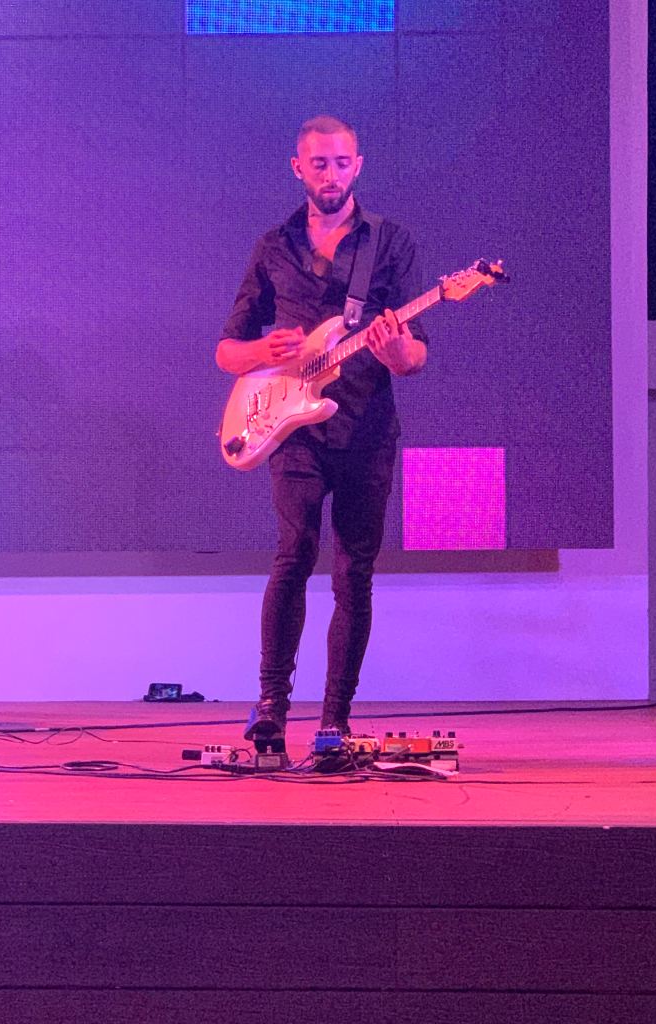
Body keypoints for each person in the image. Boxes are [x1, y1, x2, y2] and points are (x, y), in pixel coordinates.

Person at [216, 115, 428, 744]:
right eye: (319, 164)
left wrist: (395, 352)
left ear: (357, 166)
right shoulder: (273, 246)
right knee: (293, 556)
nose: (331, 175)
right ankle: (271, 708)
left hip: (367, 430)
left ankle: (335, 721)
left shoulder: (390, 243)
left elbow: (415, 355)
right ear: (298, 169)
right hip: (295, 430)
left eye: (341, 163)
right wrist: (263, 351)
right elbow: (227, 351)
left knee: (354, 573)